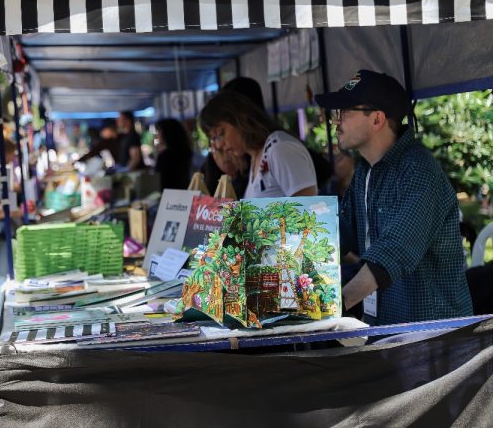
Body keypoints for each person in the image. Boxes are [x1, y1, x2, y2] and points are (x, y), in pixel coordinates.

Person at [315, 69, 472, 325]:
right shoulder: (365, 170)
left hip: (434, 335)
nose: (335, 121)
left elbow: (394, 251)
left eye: (344, 112)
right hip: (386, 328)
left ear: (377, 120)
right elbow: (338, 233)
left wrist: (332, 307)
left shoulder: (419, 170)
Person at [199, 91, 317, 198]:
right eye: (214, 139)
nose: (219, 145)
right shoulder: (256, 156)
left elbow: (310, 213)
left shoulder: (279, 150)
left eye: (220, 134)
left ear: (241, 119)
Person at [154, 119, 193, 190]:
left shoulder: (164, 156)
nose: (157, 135)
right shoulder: (186, 152)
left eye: (159, 131)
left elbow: (158, 182)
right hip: (185, 193)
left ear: (166, 133)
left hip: (168, 196)